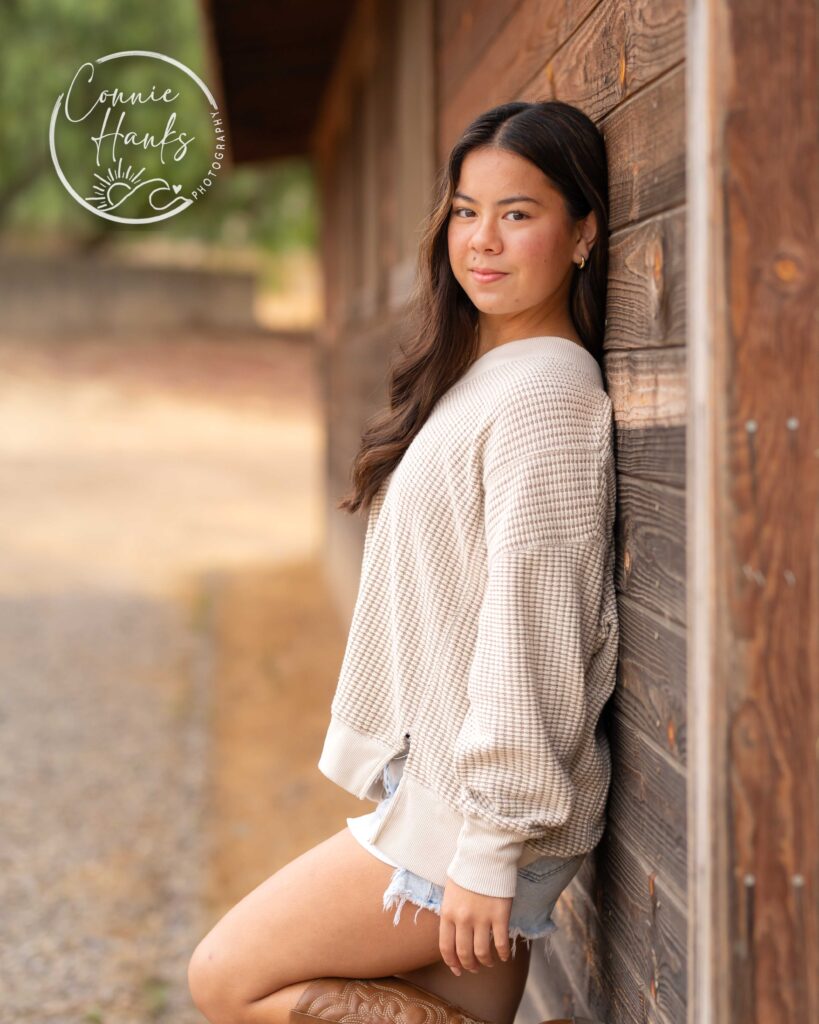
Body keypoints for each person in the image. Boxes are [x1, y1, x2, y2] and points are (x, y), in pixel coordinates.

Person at [188, 99, 619, 1024]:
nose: (483, 241)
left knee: (223, 979)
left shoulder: (546, 395)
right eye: (466, 211)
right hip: (449, 797)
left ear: (581, 234)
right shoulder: (486, 377)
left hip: (472, 819)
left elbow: (529, 631)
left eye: (519, 212)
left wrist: (488, 851)